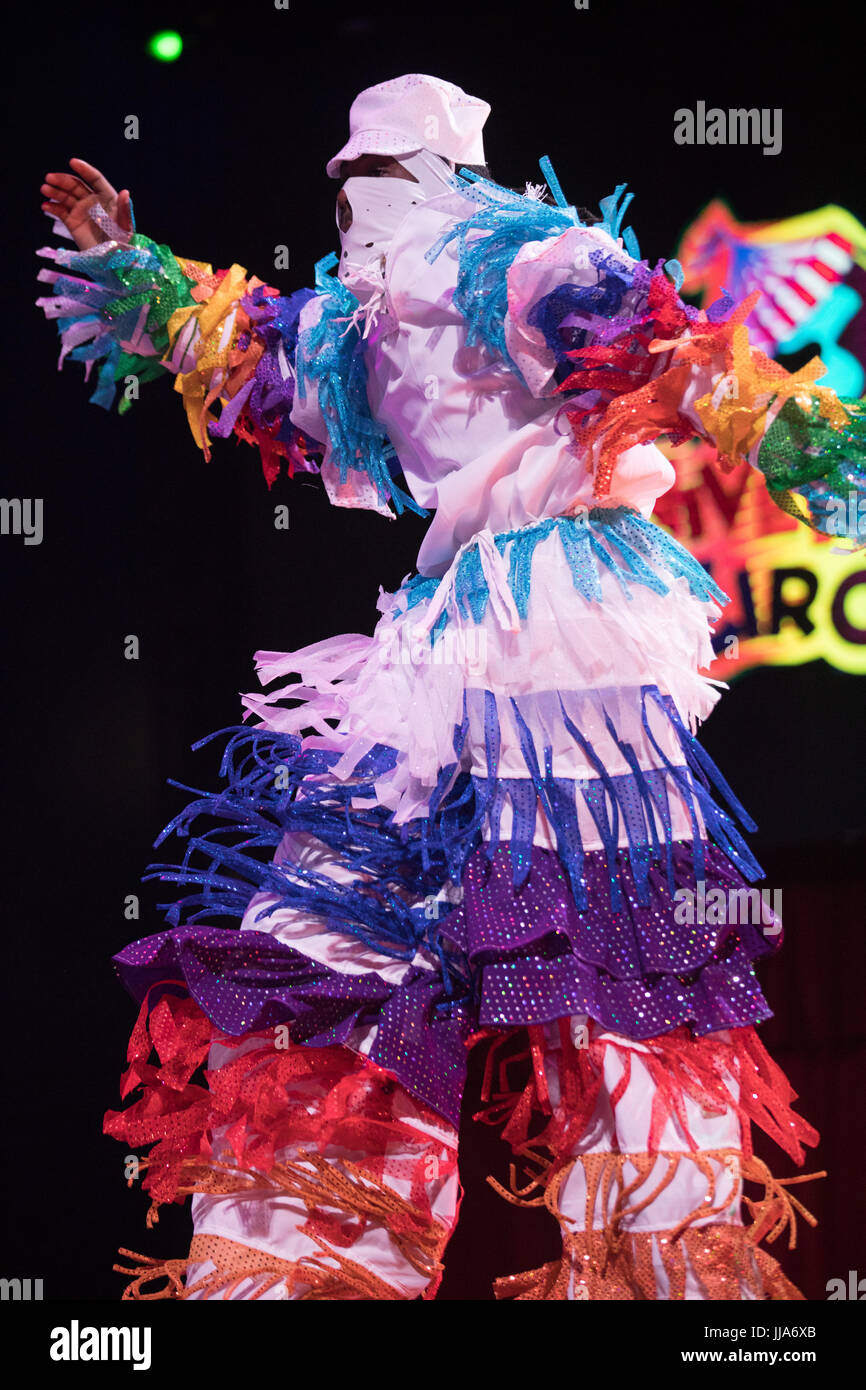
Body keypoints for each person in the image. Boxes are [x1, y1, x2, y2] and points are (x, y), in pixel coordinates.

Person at [38, 72, 863, 1301]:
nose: (348, 213)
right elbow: (239, 341)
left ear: (434, 178)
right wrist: (132, 264)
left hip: (565, 632)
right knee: (328, 948)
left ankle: (667, 1273)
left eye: (369, 182)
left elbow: (681, 359)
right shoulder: (357, 319)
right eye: (340, 191)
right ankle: (299, 1257)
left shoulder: (530, 261)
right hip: (433, 650)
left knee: (610, 950)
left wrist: (818, 450)